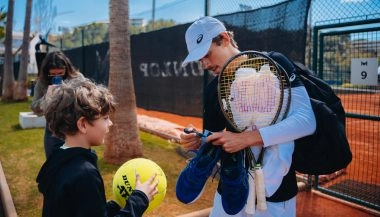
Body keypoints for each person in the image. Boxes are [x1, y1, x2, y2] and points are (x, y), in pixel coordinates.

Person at [178, 16, 316, 216]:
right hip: (230, 193)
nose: (205, 64)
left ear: (224, 39)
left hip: (276, 198)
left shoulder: (274, 63)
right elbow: (215, 138)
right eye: (200, 59)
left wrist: (244, 139)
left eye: (207, 54)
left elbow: (306, 120)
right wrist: (201, 141)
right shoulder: (212, 90)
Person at [36, 79, 159, 217]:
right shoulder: (85, 174)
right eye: (105, 118)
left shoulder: (58, 159)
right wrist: (139, 198)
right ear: (82, 124)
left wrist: (113, 207)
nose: (110, 123)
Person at [30, 51, 84, 158]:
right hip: (52, 131)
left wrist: (68, 91)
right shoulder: (42, 82)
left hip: (75, 129)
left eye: (60, 73)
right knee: (53, 166)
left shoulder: (77, 78)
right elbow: (34, 108)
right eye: (52, 74)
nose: (57, 76)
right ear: (47, 72)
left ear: (66, 69)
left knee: (76, 164)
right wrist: (47, 97)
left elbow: (88, 100)